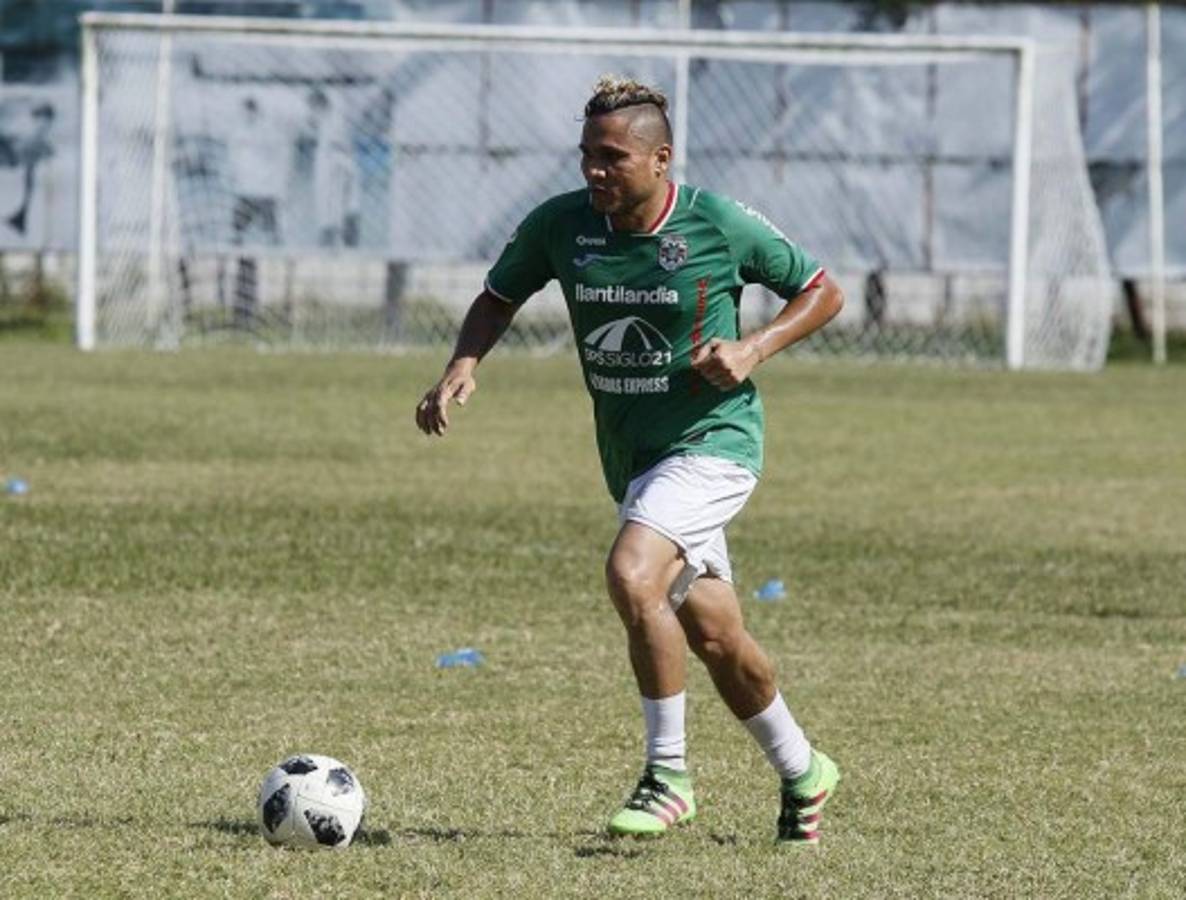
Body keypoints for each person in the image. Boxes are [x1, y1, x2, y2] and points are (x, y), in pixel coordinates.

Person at [415, 75, 845, 845]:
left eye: (612, 157)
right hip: (635, 457)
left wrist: (752, 348)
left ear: (660, 158)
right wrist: (463, 364)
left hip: (715, 443)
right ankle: (804, 769)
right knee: (714, 634)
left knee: (631, 573)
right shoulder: (561, 225)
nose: (594, 172)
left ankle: (668, 774)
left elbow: (821, 291)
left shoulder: (718, 224)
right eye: (586, 156)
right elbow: (497, 295)